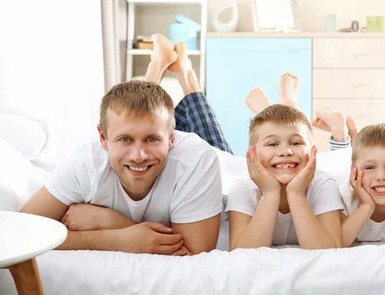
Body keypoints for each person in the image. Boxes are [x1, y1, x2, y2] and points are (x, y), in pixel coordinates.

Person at [20, 34, 231, 255]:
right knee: (141, 110)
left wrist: (111, 223)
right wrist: (114, 239)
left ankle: (184, 71)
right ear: (102, 138)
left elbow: (192, 253)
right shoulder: (85, 161)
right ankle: (159, 63)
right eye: (124, 139)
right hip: (161, 140)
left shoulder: (197, 158)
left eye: (152, 139)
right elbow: (23, 232)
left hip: (224, 165)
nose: (138, 155)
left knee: (195, 126)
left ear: (172, 138)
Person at [226, 104, 343, 250]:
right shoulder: (242, 188)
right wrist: (270, 194)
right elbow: (241, 254)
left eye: (295, 143)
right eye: (272, 144)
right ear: (253, 154)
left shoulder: (323, 184)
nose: (285, 151)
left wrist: (296, 194)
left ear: (313, 151)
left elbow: (329, 251)